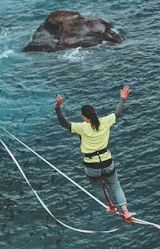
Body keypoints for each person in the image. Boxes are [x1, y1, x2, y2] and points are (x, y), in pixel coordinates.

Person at [56, 86, 132, 222]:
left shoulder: (82, 127)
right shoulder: (105, 121)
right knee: (115, 185)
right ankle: (126, 211)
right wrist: (122, 99)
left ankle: (111, 207)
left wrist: (58, 108)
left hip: (91, 165)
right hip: (107, 161)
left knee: (98, 187)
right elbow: (118, 113)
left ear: (85, 117)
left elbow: (64, 123)